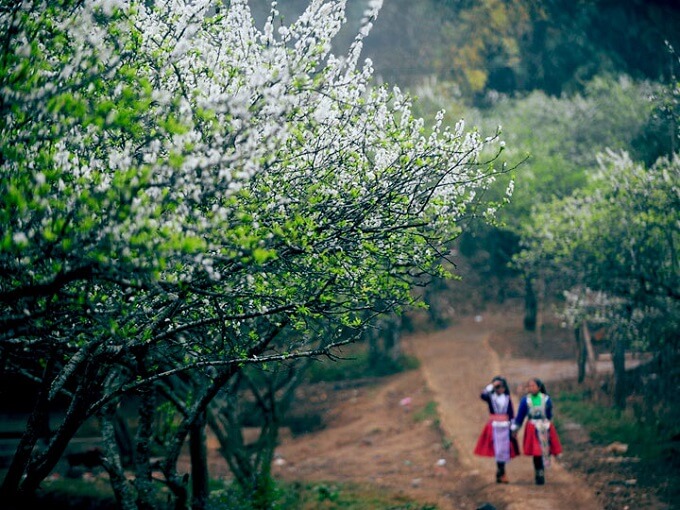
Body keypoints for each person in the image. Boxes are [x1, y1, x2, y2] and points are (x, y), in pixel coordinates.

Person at [511, 377, 563, 485]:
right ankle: (539, 471)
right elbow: (520, 416)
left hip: (544, 427)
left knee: (544, 450)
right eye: (529, 386)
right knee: (536, 451)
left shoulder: (546, 399)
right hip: (532, 428)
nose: (531, 388)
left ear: (539, 387)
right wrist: (515, 428)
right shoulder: (526, 400)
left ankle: (542, 470)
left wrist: (549, 424)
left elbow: (549, 414)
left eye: (533, 386)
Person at [473, 376, 520, 483]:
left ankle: (501, 472)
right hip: (494, 426)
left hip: (505, 426)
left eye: (501, 387)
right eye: (497, 387)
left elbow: (511, 413)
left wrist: (513, 426)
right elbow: (482, 395)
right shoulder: (491, 397)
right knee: (498, 450)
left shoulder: (507, 398)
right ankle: (501, 472)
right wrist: (492, 386)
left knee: (503, 450)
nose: (500, 389)